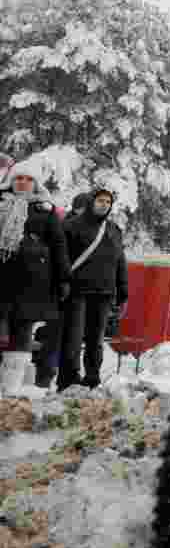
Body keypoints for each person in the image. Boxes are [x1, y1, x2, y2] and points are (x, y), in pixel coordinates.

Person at [0, 158, 70, 399]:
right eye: (19, 178)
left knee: (21, 334)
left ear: (35, 184)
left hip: (32, 284)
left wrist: (63, 279)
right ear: (11, 180)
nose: (23, 183)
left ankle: (9, 390)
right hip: (2, 279)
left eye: (28, 179)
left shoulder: (45, 211)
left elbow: (59, 245)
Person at [58, 188, 128, 390]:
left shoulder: (114, 229)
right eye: (100, 200)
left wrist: (123, 292)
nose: (104, 204)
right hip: (76, 292)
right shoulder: (71, 226)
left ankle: (92, 379)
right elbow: (61, 259)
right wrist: (62, 283)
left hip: (104, 293)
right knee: (73, 339)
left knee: (95, 341)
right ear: (91, 202)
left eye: (108, 201)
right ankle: (68, 381)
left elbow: (120, 262)